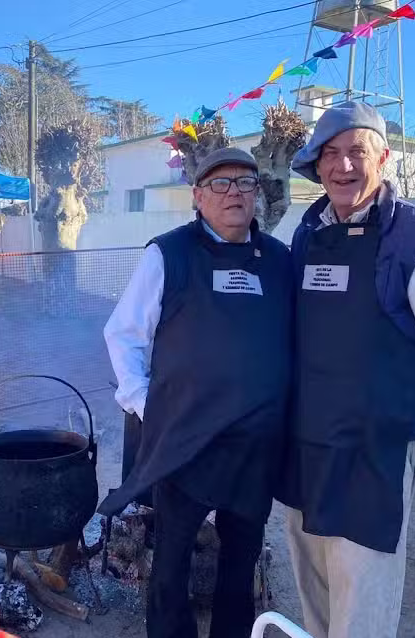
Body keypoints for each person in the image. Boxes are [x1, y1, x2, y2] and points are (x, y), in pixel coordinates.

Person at [278, 101, 415, 638]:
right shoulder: (307, 232)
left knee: (363, 595)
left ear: (384, 158)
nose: (343, 166)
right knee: (314, 582)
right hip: (305, 443)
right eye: (330, 154)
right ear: (316, 166)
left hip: (375, 451)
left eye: (356, 152)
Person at [99, 147, 295, 638]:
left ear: (259, 196)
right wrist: (145, 403)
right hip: (185, 440)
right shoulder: (169, 253)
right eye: (220, 184)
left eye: (245, 183)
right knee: (171, 563)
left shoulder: (279, 261)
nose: (234, 193)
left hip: (255, 445)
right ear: (197, 196)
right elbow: (123, 335)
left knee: (240, 562)